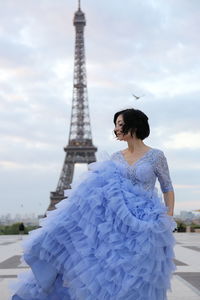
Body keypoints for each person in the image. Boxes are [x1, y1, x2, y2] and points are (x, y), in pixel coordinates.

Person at [11, 108, 176, 300]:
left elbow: (167, 187)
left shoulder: (156, 156)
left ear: (134, 125)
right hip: (117, 223)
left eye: (120, 124)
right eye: (115, 124)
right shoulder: (115, 157)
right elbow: (100, 189)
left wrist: (168, 215)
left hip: (146, 223)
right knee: (113, 272)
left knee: (140, 273)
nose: (116, 129)